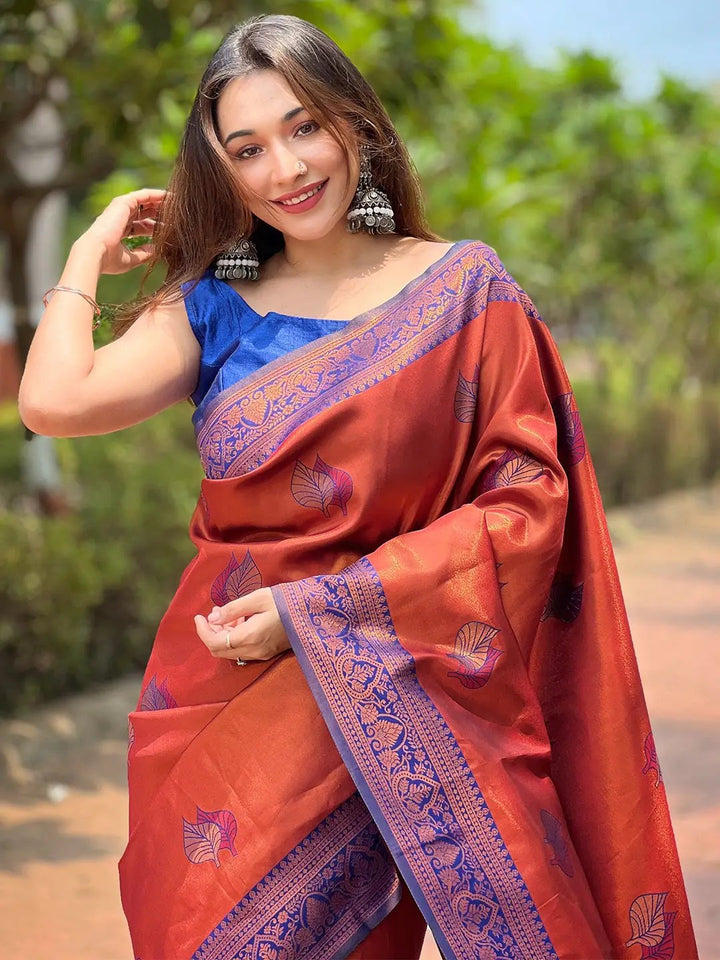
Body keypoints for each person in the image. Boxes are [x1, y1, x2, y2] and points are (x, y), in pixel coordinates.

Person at [18, 14, 697, 960]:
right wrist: (91, 248)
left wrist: (321, 609)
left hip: (386, 705)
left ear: (355, 125)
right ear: (219, 172)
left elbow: (527, 505)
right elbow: (53, 403)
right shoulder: (212, 303)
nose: (285, 169)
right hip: (218, 708)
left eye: (304, 128)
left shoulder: (465, 294)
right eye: (246, 149)